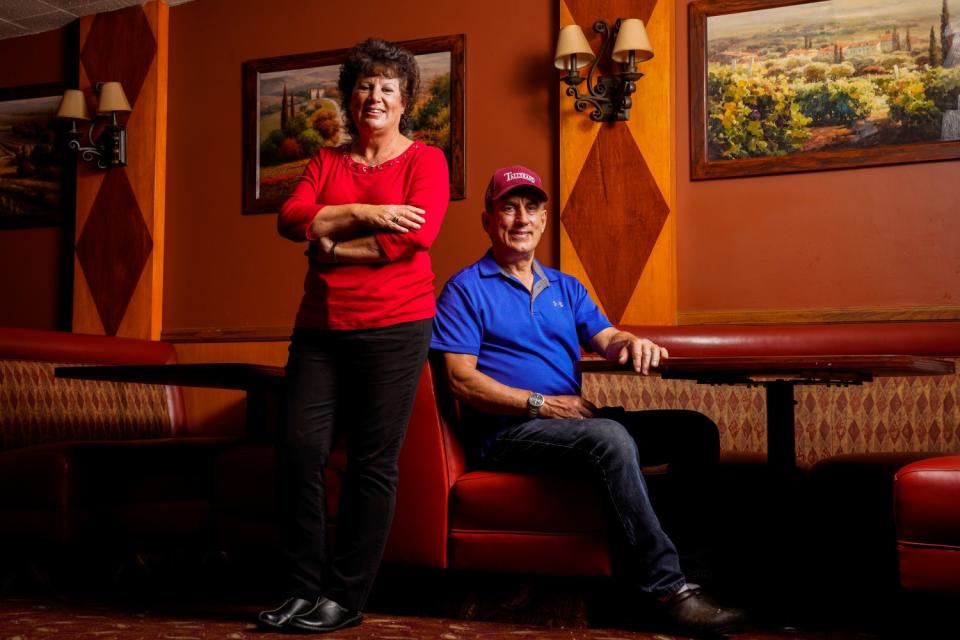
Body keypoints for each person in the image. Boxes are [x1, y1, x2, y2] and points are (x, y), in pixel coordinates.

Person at [430, 165, 746, 636]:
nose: (522, 219)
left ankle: (696, 580)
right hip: (506, 432)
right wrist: (542, 404)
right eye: (508, 207)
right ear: (487, 220)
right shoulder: (465, 289)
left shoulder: (566, 287)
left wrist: (629, 342)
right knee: (609, 436)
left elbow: (606, 336)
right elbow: (461, 381)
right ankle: (666, 590)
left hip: (567, 426)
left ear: (543, 218)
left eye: (532, 207)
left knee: (693, 430)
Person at [258, 38, 449, 634]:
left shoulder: (427, 162)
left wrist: (332, 243)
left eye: (388, 88)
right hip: (319, 328)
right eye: (365, 86)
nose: (375, 96)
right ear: (349, 96)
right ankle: (299, 589)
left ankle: (344, 598)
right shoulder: (326, 161)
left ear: (405, 101)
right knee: (298, 452)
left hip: (396, 327)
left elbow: (410, 240)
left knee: (372, 464)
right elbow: (291, 219)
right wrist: (369, 212)